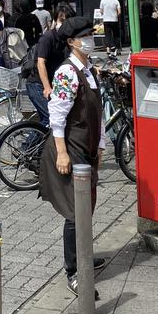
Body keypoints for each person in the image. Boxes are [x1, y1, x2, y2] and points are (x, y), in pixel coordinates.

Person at [39, 16, 107, 296]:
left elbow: (98, 111)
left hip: (88, 146)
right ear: (71, 42)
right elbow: (57, 116)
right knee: (74, 211)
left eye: (92, 33)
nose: (90, 39)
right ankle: (74, 271)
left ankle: (85, 256)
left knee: (87, 205)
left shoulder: (90, 69)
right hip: (72, 146)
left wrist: (101, 145)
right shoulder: (67, 72)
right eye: (86, 35)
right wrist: (62, 154)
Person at [23, 11, 70, 127]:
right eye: (61, 21)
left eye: (67, 22)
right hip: (37, 84)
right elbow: (40, 63)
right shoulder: (48, 37)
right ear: (54, 20)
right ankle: (27, 145)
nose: (64, 25)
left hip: (53, 84)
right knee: (50, 118)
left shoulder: (67, 39)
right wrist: (47, 87)